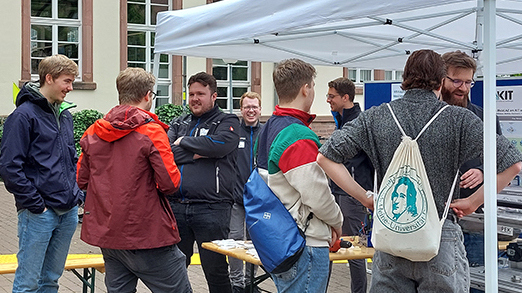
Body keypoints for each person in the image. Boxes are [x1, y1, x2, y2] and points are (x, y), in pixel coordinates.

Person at [317, 49, 522, 292]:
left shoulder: (377, 116)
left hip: (391, 234)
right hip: (440, 234)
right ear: (440, 80)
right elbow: (514, 164)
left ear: (404, 78)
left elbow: (324, 157)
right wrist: (473, 202)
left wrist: (367, 197)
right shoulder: (459, 119)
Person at [76, 67, 191, 292]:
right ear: (147, 95)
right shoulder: (151, 132)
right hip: (147, 231)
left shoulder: (92, 132)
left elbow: (81, 179)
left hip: (109, 233)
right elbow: (170, 182)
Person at [256, 58, 343, 292]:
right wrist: (337, 221)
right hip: (304, 241)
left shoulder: (269, 127)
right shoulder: (296, 133)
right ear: (306, 88)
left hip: (280, 238)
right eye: (313, 86)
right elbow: (316, 194)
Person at [0, 54, 84, 293]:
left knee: (50, 281)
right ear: (49, 78)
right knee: (27, 284)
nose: (70, 88)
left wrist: (76, 194)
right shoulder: (23, 116)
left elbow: (71, 160)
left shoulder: (64, 115)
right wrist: (36, 204)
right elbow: (9, 167)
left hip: (67, 212)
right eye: (67, 81)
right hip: (39, 214)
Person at [167, 72, 239, 293]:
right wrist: (198, 151)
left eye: (201, 94)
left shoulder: (227, 121)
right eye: (191, 94)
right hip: (177, 206)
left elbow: (221, 145)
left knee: (215, 269)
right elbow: (167, 153)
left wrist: (185, 142)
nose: (195, 99)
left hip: (212, 207)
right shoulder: (179, 122)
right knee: (175, 269)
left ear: (214, 96)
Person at [441, 50, 503, 293]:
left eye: (468, 82)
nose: (463, 88)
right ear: (441, 79)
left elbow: (503, 161)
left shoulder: (484, 117)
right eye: (456, 81)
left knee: (477, 283)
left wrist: (483, 172)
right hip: (438, 221)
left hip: (475, 221)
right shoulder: (430, 117)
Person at [326, 77, 373, 293]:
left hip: (352, 194)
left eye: (332, 96)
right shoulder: (341, 119)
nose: (328, 100)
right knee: (329, 244)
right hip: (335, 191)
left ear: (346, 98)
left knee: (354, 250)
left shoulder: (359, 123)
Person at [229, 92, 263, 293]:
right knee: (234, 240)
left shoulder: (265, 132)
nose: (251, 110)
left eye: (254, 107)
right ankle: (237, 283)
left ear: (260, 109)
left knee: (255, 242)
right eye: (247, 107)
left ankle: (251, 281)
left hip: (259, 200)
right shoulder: (233, 132)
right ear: (241, 110)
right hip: (236, 198)